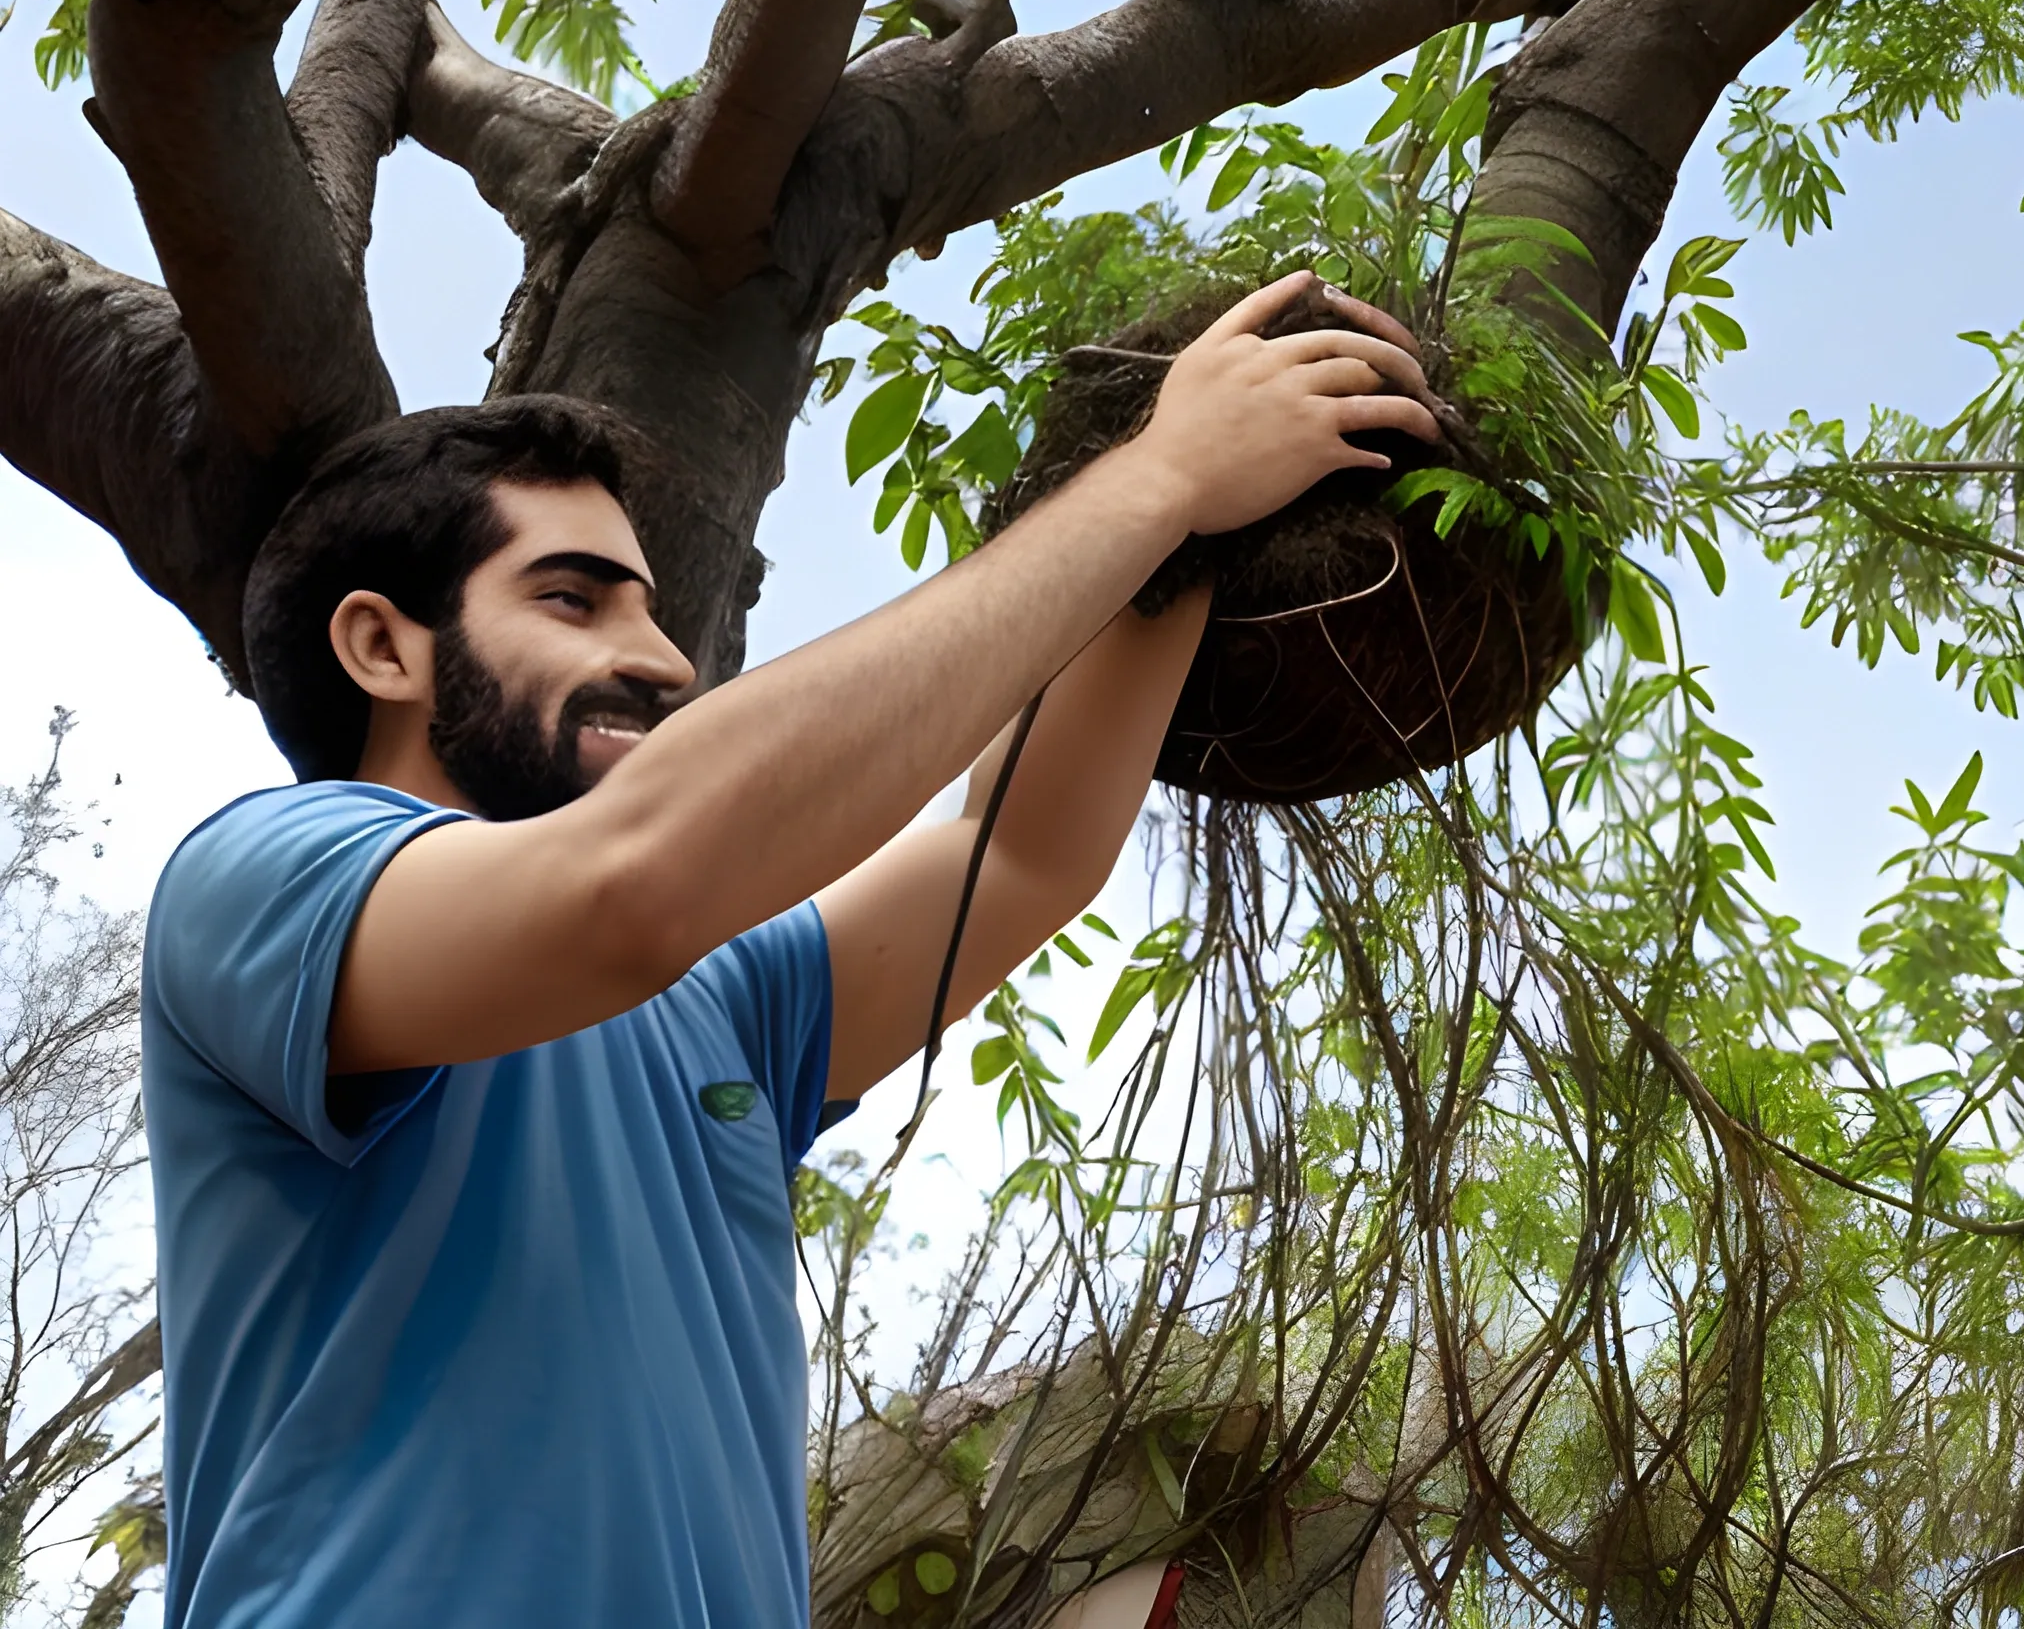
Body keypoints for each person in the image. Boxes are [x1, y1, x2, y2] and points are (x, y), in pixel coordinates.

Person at [141, 272, 1439, 1628]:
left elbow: (1018, 853)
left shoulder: (723, 1006)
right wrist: (1155, 478)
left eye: (653, 610)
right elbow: (629, 884)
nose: (663, 660)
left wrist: (1196, 530)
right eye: (575, 602)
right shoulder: (262, 881)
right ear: (380, 647)